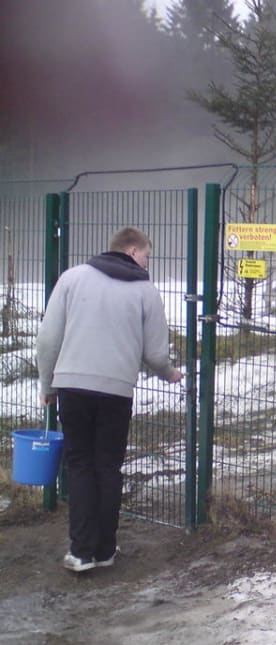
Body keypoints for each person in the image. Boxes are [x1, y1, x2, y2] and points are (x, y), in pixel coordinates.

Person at [36, 226, 184, 573]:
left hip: (72, 386)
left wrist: (48, 384)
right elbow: (155, 353)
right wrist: (170, 374)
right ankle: (104, 549)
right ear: (132, 251)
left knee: (80, 466)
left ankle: (81, 551)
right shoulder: (145, 290)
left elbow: (47, 340)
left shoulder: (72, 278)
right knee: (107, 467)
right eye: (147, 255)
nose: (148, 262)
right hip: (116, 391)